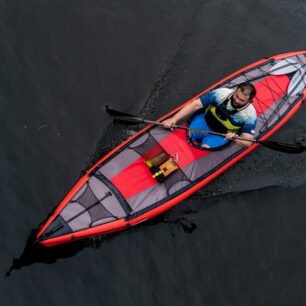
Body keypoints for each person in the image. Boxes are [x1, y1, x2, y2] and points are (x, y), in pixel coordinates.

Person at [162, 82, 257, 149]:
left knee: (205, 147)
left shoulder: (250, 116)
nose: (237, 100)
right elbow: (196, 104)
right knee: (186, 135)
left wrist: (235, 138)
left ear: (249, 101)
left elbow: (248, 142)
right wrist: (174, 119)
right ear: (235, 90)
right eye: (236, 96)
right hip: (205, 121)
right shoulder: (220, 93)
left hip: (221, 134)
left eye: (242, 100)